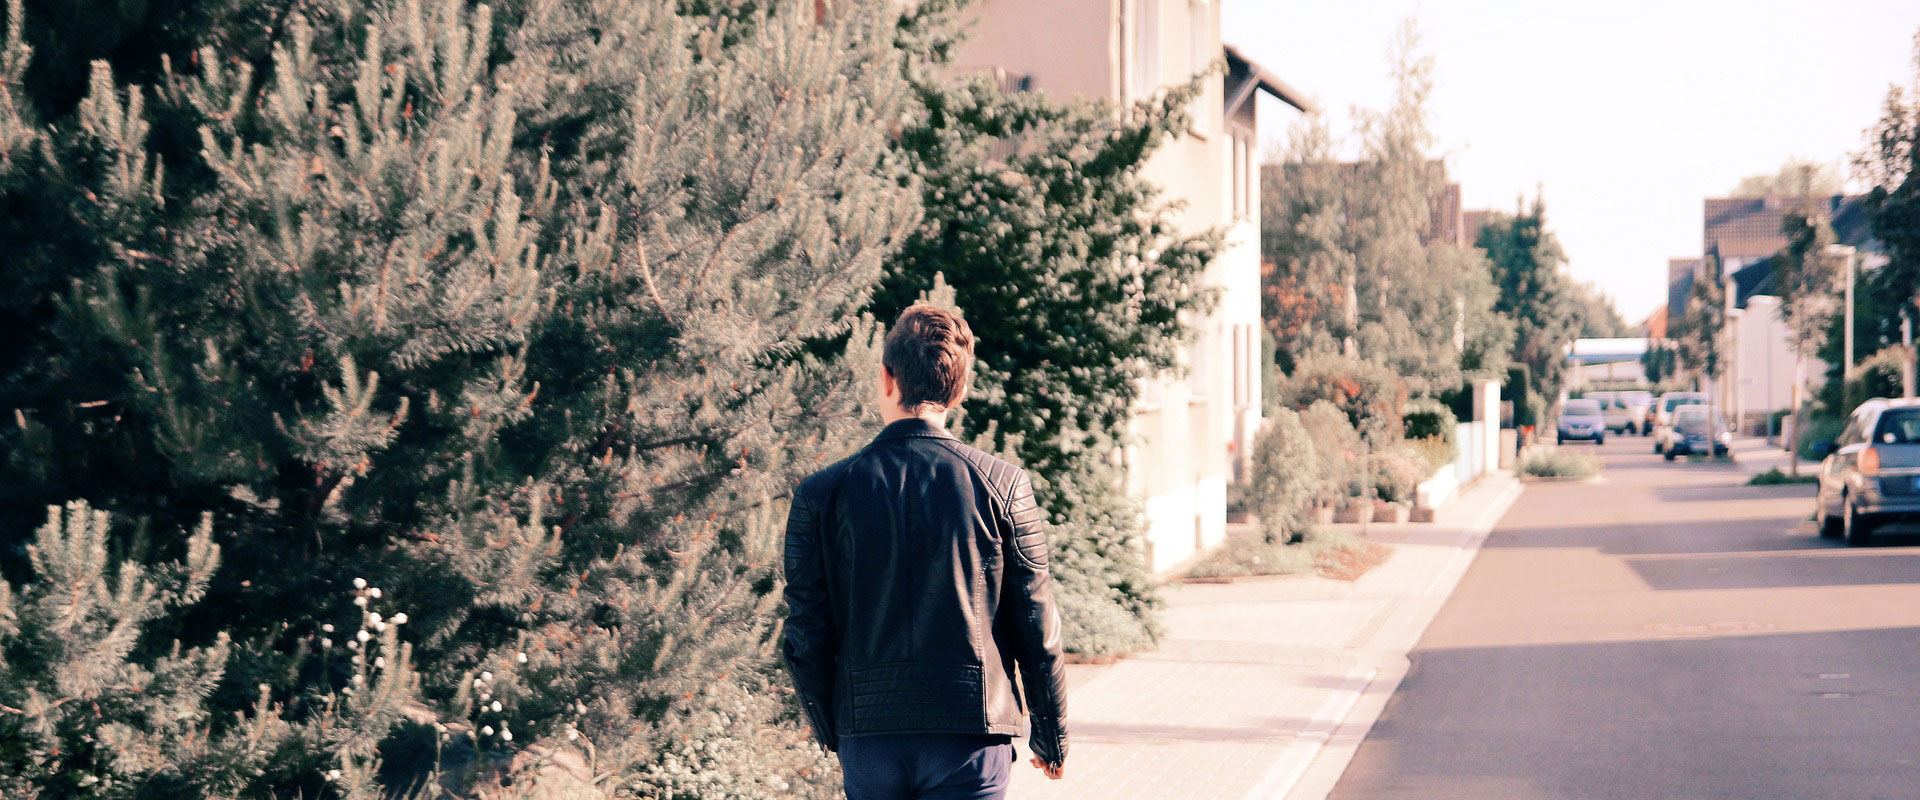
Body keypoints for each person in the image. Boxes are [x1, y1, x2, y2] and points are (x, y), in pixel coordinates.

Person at [782, 304, 1069, 799]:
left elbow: (805, 631)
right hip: (971, 733)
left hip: (870, 737)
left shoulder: (821, 493)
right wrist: (1051, 733)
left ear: (886, 379)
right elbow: (1037, 623)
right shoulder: (1003, 484)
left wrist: (835, 726)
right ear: (958, 390)